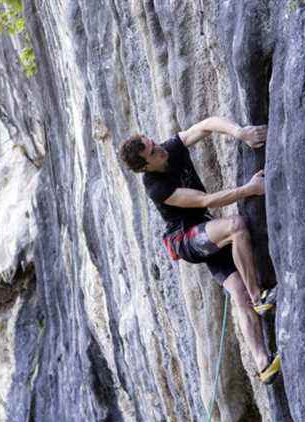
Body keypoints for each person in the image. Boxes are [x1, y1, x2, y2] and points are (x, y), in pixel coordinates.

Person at [119, 117, 281, 384]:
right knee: (236, 226)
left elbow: (206, 125)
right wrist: (250, 189)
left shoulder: (170, 148)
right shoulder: (156, 187)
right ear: (146, 166)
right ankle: (260, 298)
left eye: (152, 142)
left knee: (237, 291)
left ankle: (263, 364)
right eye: (152, 152)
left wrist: (241, 133)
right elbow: (205, 200)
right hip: (187, 239)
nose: (159, 148)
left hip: (206, 230)